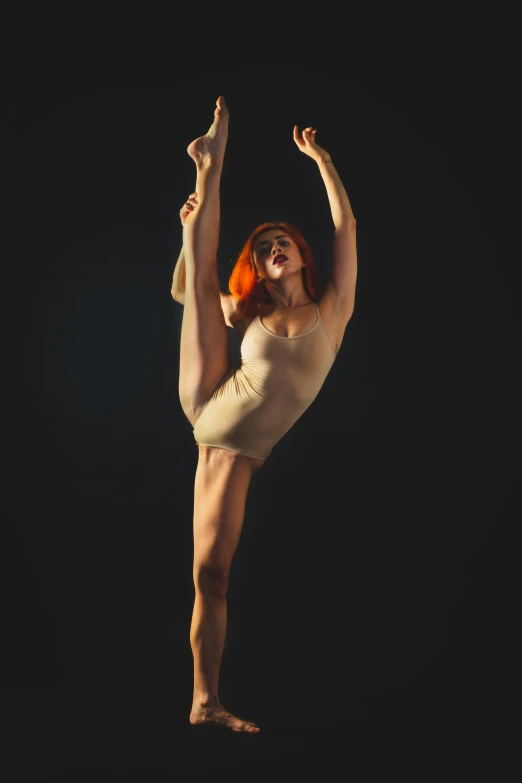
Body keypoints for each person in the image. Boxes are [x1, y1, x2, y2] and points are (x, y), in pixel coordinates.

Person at [171, 97, 357, 733]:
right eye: (266, 245)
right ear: (261, 266)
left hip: (230, 452)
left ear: (300, 256)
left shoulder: (330, 312)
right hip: (211, 402)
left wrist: (323, 162)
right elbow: (183, 290)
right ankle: (209, 166)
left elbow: (346, 231)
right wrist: (187, 236)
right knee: (198, 272)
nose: (276, 246)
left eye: (284, 242)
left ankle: (205, 702)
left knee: (211, 579)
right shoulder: (247, 311)